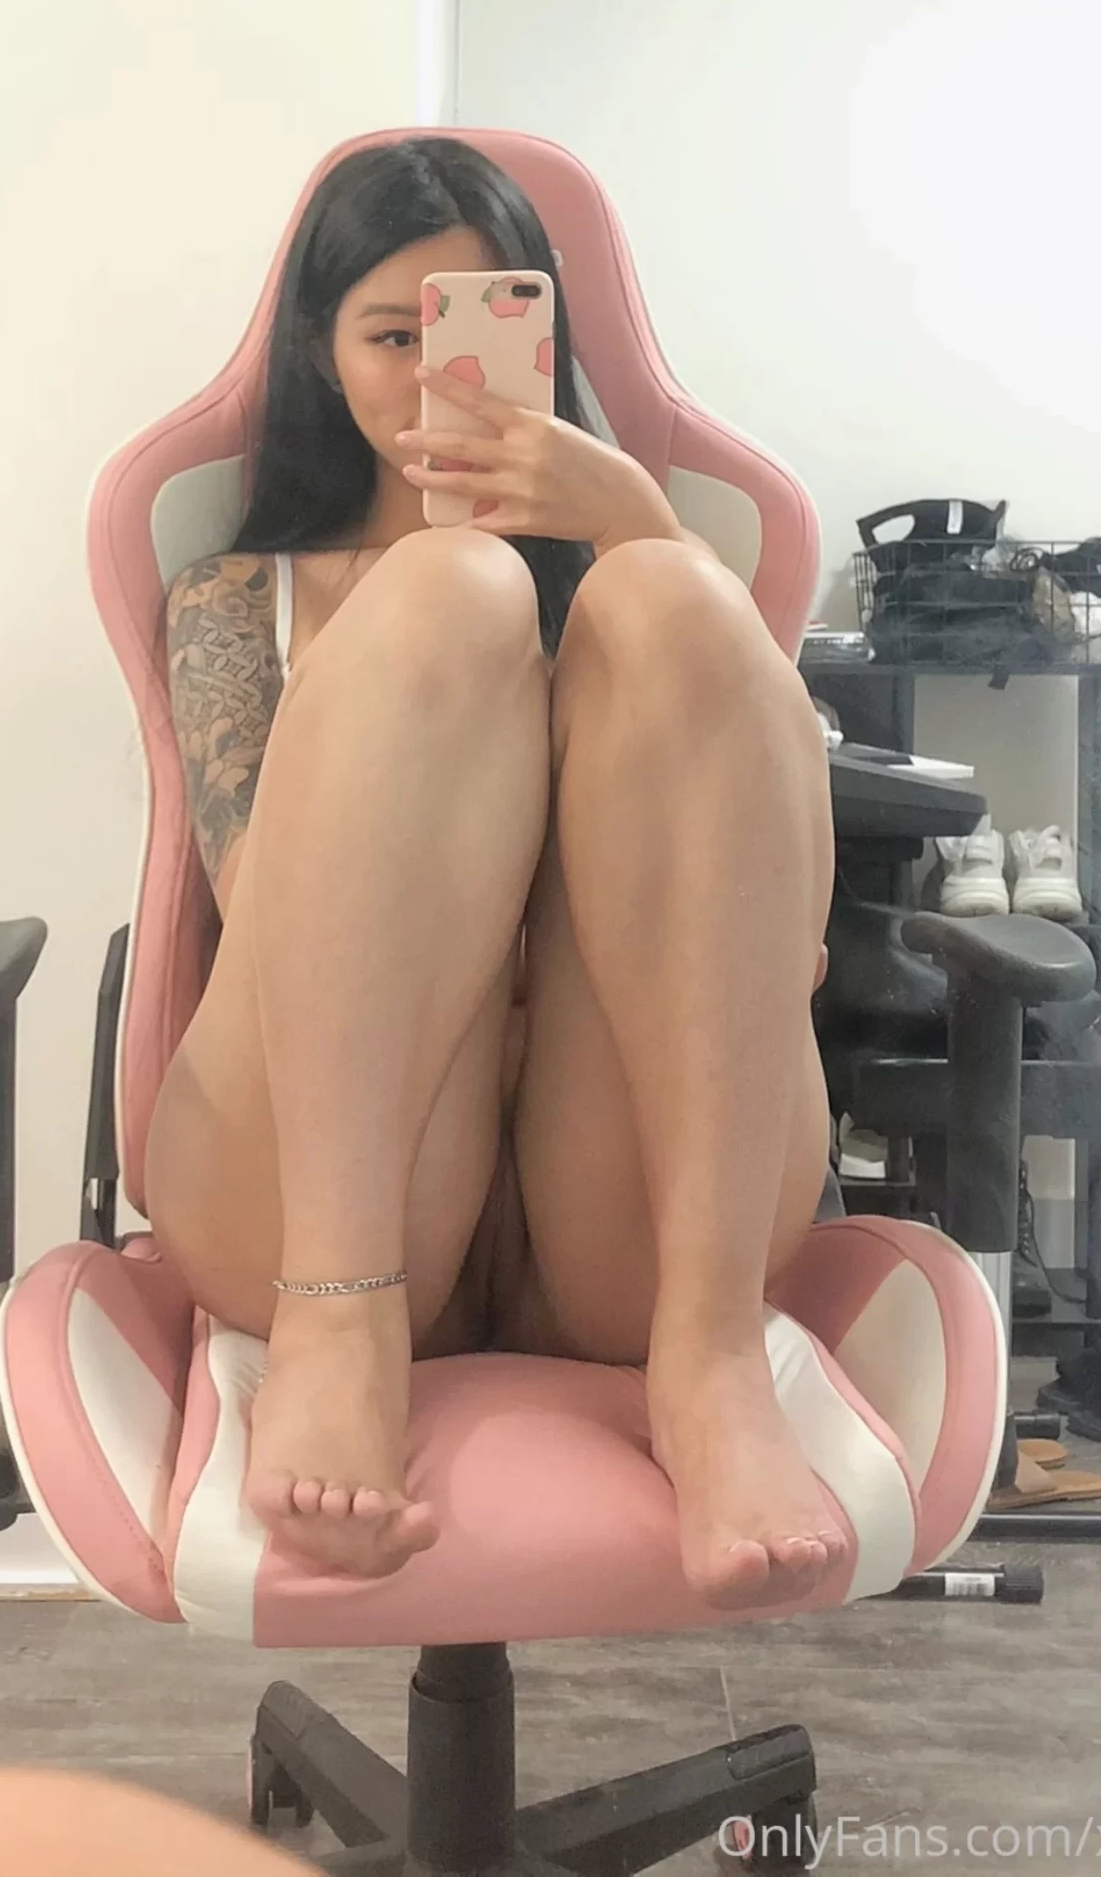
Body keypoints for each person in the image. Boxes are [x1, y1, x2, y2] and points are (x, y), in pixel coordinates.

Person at [143, 136, 839, 1608]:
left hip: (623, 1196)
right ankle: (339, 1330)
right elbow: (265, 915)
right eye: (390, 336)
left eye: (474, 329)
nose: (432, 380)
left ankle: (710, 1358)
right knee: (451, 591)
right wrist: (429, 648)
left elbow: (766, 894)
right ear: (323, 355)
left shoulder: (646, 598)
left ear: (544, 343)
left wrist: (628, 526)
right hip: (323, 1181)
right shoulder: (234, 600)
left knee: (672, 600)